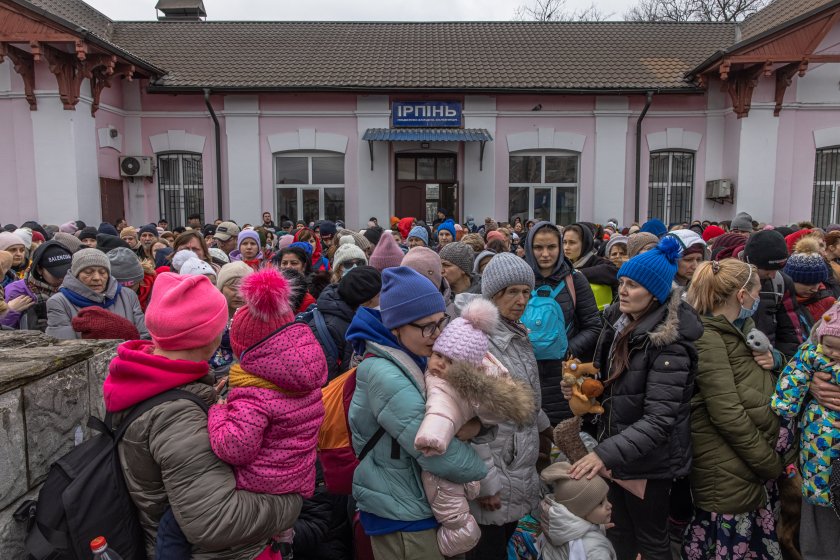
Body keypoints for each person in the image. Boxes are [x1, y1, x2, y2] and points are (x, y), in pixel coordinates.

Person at [102, 271, 302, 558]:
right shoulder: (176, 415)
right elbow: (215, 521)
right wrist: (291, 500)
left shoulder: (144, 377)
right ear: (210, 335)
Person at [155, 267, 327, 557]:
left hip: (259, 482)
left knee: (172, 525)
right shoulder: (306, 376)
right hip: (293, 479)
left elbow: (234, 448)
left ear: (246, 351)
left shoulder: (255, 391)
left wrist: (218, 411)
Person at [565, 236, 701, 560]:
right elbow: (611, 384)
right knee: (618, 532)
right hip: (619, 453)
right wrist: (581, 385)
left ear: (654, 292)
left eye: (634, 285)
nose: (623, 290)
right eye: (622, 282)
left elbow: (659, 420)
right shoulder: (619, 322)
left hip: (650, 463)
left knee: (652, 541)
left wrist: (604, 455)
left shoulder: (670, 345)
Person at [346, 266, 487, 560]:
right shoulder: (385, 373)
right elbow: (434, 451)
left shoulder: (416, 357)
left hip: (417, 504)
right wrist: (482, 473)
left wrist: (478, 425)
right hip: (402, 514)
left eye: (441, 323)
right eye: (427, 327)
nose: (437, 335)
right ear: (396, 327)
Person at [414, 297, 535, 557]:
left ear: (466, 371)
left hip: (468, 473)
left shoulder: (457, 391)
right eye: (437, 355)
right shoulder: (436, 376)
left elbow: (480, 446)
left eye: (450, 362)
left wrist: (490, 489)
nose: (439, 364)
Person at [683, 259, 786, 559]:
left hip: (745, 469)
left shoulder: (742, 329)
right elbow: (726, 413)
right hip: (727, 473)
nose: (758, 299)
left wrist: (776, 359)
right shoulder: (709, 338)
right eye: (756, 292)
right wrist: (769, 463)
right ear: (742, 296)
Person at [459, 252, 549, 560]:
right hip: (494, 472)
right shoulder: (477, 339)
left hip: (515, 467)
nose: (522, 299)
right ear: (493, 294)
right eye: (512, 291)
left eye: (526, 292)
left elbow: (527, 396)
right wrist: (485, 485)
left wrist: (545, 428)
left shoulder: (514, 332)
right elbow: (469, 421)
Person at [771, 303, 840, 560]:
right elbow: (806, 359)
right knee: (822, 538)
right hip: (823, 454)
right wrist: (809, 383)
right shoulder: (833, 317)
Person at [524, 221, 602, 426]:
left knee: (560, 435)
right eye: (538, 247)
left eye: (551, 247)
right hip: (524, 372)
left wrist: (568, 349)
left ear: (559, 248)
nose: (545, 254)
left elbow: (594, 325)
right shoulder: (519, 279)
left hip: (563, 377)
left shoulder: (575, 281)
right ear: (529, 249)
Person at [46, 248, 148, 340]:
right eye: (88, 272)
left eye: (103, 272)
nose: (97, 278)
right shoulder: (59, 302)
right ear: (75, 275)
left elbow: (144, 336)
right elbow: (64, 345)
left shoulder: (128, 295)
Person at [307, 265, 381, 381]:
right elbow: (327, 380)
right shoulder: (331, 329)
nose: (384, 300)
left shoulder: (358, 316)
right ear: (365, 302)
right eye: (379, 296)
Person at [743, 229, 804, 361]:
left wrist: (781, 362)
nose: (773, 275)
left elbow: (790, 333)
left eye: (778, 269)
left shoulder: (781, 283)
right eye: (768, 270)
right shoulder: (726, 280)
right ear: (751, 262)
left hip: (769, 360)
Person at [538, 462, 615, 560]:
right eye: (600, 503)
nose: (609, 505)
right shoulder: (596, 548)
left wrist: (595, 528)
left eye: (606, 499)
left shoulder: (557, 530)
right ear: (581, 511)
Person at [1, 240, 73, 330]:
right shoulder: (17, 290)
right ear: (39, 269)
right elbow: (4, 330)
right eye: (56, 273)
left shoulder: (73, 287)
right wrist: (10, 311)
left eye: (68, 271)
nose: (63, 277)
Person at [783, 237, 836, 333]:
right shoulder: (779, 302)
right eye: (807, 283)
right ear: (790, 280)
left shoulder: (829, 302)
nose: (815, 289)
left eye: (818, 282)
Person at [209, 261, 253, 375]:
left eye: (243, 289)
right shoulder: (210, 317)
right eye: (233, 288)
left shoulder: (257, 320)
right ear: (221, 288)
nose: (238, 294)